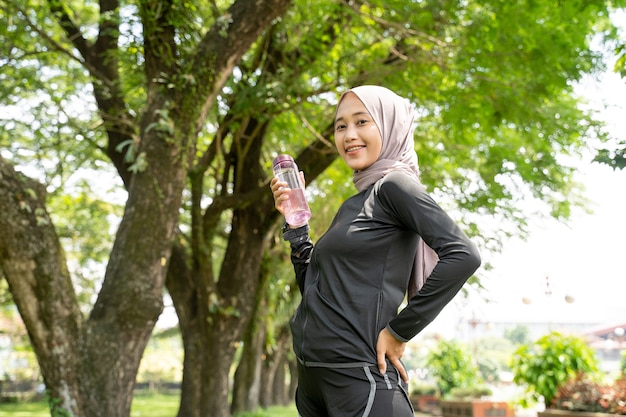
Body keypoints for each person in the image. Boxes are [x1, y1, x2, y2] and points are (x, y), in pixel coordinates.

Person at [270, 85, 481, 417]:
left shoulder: (395, 187)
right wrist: (296, 229)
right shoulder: (353, 204)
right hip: (314, 381)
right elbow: (316, 288)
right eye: (341, 126)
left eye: (362, 122)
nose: (349, 135)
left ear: (389, 124)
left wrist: (400, 330)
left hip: (360, 380)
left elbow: (463, 255)